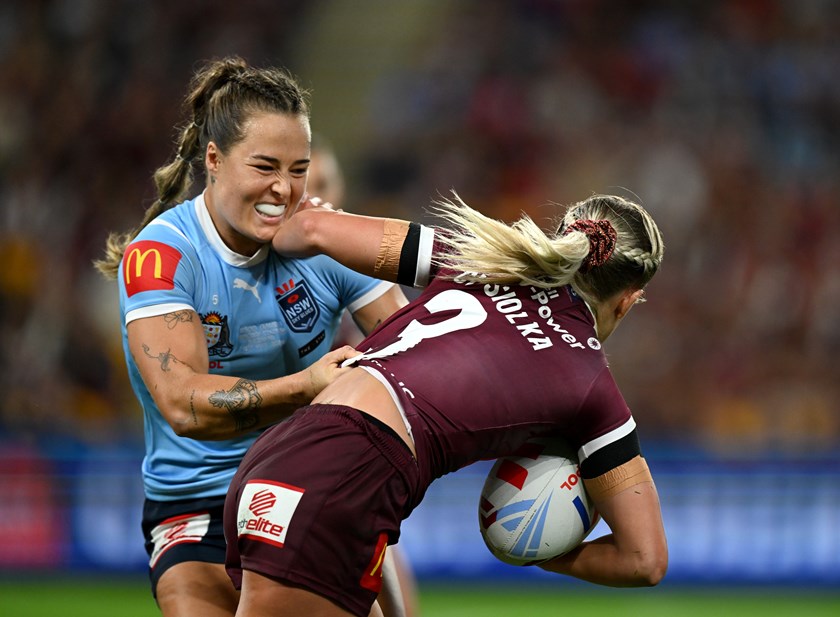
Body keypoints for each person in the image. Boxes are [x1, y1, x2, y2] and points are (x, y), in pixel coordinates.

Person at [223, 192, 669, 616]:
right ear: (627, 301)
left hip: (285, 451)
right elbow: (644, 560)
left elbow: (312, 229)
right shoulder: (590, 385)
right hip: (348, 476)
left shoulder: (480, 254)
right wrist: (538, 549)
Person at [93, 56, 408, 617]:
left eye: (298, 169)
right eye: (265, 167)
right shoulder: (162, 257)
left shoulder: (325, 243)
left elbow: (410, 357)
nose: (284, 190)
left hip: (308, 489)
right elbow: (184, 405)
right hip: (194, 506)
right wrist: (310, 386)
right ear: (214, 160)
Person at [307, 133, 421, 617]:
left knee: (392, 578)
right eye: (304, 182)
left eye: (324, 183)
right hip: (267, 459)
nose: (314, 196)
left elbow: (411, 345)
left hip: (339, 463)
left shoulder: (356, 267)